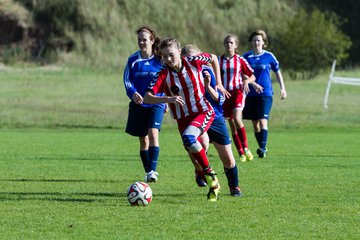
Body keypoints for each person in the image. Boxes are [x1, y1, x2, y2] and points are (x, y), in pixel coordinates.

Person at [144, 38, 222, 201]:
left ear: (179, 52)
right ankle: (210, 183)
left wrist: (219, 84)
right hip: (182, 119)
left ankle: (211, 175)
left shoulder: (194, 61)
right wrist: (167, 99)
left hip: (202, 111)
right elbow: (147, 97)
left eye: (171, 55)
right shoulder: (163, 74)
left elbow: (213, 58)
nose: (168, 60)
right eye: (164, 56)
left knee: (190, 138)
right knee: (192, 150)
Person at [181, 44, 243, 197]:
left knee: (228, 158)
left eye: (194, 58)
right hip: (197, 118)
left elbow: (219, 99)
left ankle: (234, 188)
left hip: (215, 117)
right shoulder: (181, 76)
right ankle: (200, 171)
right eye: (187, 58)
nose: (192, 61)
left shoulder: (207, 72)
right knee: (200, 144)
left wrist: (211, 86)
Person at [123, 26, 166, 182]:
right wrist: (133, 93)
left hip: (157, 103)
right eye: (139, 39)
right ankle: (148, 172)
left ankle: (153, 171)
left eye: (144, 39)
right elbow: (127, 81)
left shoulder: (160, 60)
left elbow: (167, 81)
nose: (141, 42)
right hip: (139, 104)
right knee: (143, 139)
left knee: (153, 133)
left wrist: (166, 101)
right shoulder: (133, 60)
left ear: (152, 40)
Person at [243, 30, 287, 158]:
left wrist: (282, 88)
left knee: (263, 121)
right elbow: (243, 74)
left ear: (263, 42)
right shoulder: (246, 57)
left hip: (265, 93)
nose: (256, 42)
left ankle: (262, 148)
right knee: (255, 124)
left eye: (259, 40)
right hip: (250, 94)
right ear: (251, 42)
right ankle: (263, 147)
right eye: (254, 40)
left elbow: (277, 72)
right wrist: (252, 84)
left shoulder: (269, 56)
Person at [219, 34, 256, 163]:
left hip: (238, 92)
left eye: (231, 43)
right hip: (225, 95)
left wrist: (247, 82)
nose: (229, 45)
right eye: (226, 43)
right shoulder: (219, 61)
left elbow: (252, 76)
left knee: (237, 118)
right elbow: (215, 78)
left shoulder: (240, 60)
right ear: (224, 45)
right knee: (232, 125)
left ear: (236, 45)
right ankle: (240, 152)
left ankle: (246, 148)